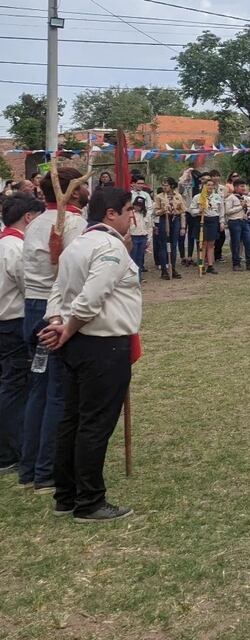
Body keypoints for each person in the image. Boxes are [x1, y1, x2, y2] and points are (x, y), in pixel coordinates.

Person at [39, 187, 141, 522]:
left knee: (73, 420)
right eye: (128, 210)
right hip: (101, 343)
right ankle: (89, 501)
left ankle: (66, 495)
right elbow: (91, 296)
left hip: (79, 342)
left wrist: (57, 320)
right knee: (93, 424)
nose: (132, 216)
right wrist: (66, 327)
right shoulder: (108, 246)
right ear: (110, 213)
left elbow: (58, 289)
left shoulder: (76, 245)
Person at [18, 169, 91, 494]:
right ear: (73, 192)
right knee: (57, 393)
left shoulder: (33, 223)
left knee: (38, 389)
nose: (88, 189)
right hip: (54, 311)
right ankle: (46, 471)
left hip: (32, 307)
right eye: (84, 184)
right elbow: (73, 272)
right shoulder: (72, 224)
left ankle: (30, 467)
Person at [0, 193, 43, 477]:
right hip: (14, 322)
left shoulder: (6, 243)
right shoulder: (16, 247)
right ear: (28, 217)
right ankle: (9, 451)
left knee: (11, 385)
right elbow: (30, 289)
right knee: (15, 387)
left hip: (6, 322)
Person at [153, 178, 186, 280]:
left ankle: (173, 268)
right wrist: (163, 210)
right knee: (163, 245)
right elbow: (156, 211)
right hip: (164, 220)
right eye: (163, 185)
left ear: (171, 186)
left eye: (166, 185)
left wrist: (182, 225)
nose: (164, 187)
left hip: (175, 220)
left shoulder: (178, 196)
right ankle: (164, 270)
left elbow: (183, 210)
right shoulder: (159, 196)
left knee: (173, 245)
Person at [225, 179, 250, 272]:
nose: (243, 188)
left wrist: (248, 210)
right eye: (241, 186)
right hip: (234, 221)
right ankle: (236, 264)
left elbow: (249, 208)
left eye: (244, 186)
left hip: (244, 221)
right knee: (236, 243)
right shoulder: (231, 198)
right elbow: (228, 211)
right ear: (235, 187)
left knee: (248, 242)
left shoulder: (245, 198)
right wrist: (241, 206)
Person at [200, 178, 225, 274]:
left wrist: (222, 221)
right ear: (204, 186)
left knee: (211, 244)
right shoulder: (200, 197)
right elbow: (191, 210)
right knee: (203, 244)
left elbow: (221, 210)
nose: (210, 187)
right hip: (204, 220)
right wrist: (198, 210)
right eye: (208, 185)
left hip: (214, 220)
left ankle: (210, 266)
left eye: (211, 185)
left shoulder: (218, 197)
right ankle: (201, 265)